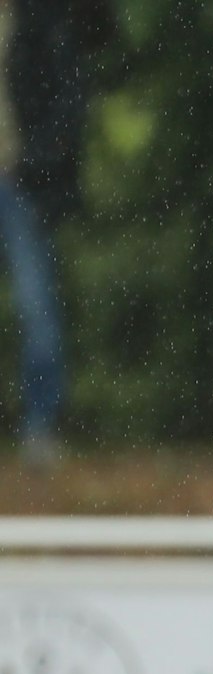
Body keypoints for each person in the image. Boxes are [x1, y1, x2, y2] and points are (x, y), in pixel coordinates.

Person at [0, 0, 107, 467]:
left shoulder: (38, 19)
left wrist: (40, 160)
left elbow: (70, 95)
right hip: (23, 178)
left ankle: (40, 428)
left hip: (21, 183)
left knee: (36, 304)